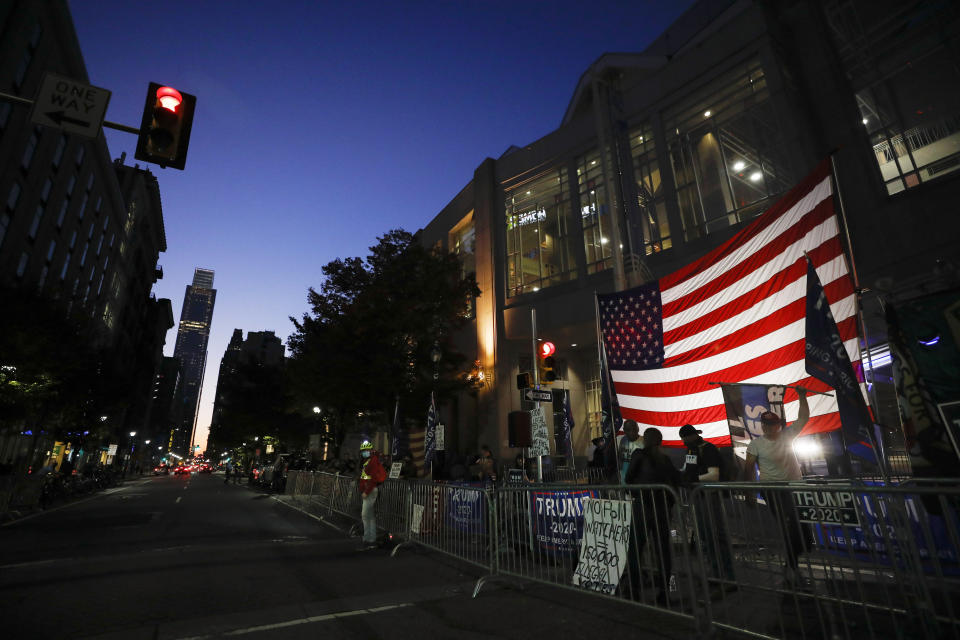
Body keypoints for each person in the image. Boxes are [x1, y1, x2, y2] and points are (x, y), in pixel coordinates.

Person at [742, 389, 810, 585]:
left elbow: (803, 418)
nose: (767, 428)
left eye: (771, 424)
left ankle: (792, 563)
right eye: (764, 424)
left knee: (801, 527)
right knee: (789, 526)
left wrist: (802, 396)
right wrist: (750, 493)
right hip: (773, 490)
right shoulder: (756, 445)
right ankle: (791, 566)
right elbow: (748, 470)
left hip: (796, 488)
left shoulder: (788, 435)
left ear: (778, 426)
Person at [625, 428, 681, 604]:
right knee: (662, 550)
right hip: (662, 508)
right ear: (660, 441)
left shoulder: (639, 454)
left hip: (643, 506)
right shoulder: (665, 459)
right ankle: (664, 592)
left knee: (635, 548)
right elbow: (676, 481)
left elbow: (628, 478)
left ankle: (634, 589)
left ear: (645, 440)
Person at [679, 423, 736, 597]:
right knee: (705, 535)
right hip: (699, 497)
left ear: (692, 436)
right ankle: (716, 573)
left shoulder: (708, 449)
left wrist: (692, 479)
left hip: (710, 496)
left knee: (716, 536)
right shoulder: (691, 451)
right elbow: (688, 469)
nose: (685, 441)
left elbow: (714, 475)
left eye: (686, 438)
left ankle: (728, 577)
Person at [357, 440, 387, 550]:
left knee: (366, 515)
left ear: (370, 450)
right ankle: (371, 540)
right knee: (369, 516)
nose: (364, 452)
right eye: (363, 451)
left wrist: (366, 492)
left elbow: (373, 478)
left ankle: (368, 540)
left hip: (370, 491)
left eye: (366, 450)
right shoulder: (369, 461)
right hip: (369, 490)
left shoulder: (372, 461)